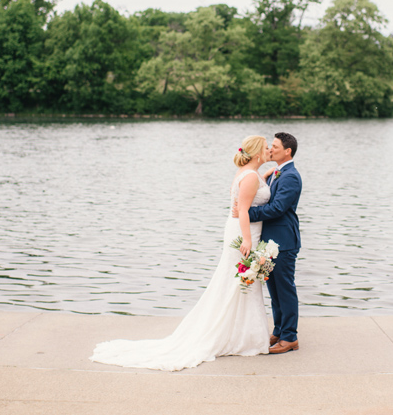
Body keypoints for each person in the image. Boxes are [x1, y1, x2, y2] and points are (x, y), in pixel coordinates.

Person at [90, 135, 273, 371]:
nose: (269, 150)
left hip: (243, 230)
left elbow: (252, 192)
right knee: (237, 281)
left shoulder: (250, 173)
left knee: (239, 282)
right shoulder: (249, 177)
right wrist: (247, 240)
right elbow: (245, 210)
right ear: (257, 152)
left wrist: (265, 176)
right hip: (243, 234)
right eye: (266, 147)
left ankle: (242, 334)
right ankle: (237, 336)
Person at [243, 132, 303, 354]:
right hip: (268, 242)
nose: (271, 150)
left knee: (285, 289)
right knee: (274, 290)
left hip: (284, 241)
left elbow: (278, 208)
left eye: (275, 146)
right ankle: (278, 331)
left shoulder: (291, 176)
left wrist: (247, 213)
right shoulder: (278, 172)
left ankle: (290, 337)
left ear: (287, 151)